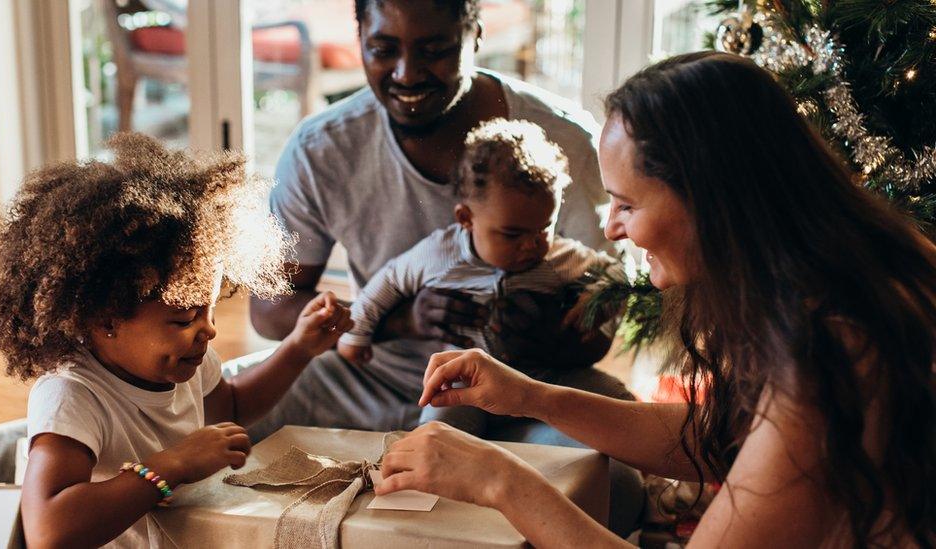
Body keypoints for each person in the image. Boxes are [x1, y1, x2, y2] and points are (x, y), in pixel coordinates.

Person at [375, 52, 936, 548]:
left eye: (626, 204)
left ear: (708, 201)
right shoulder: (854, 269)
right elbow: (718, 436)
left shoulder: (831, 349)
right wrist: (530, 396)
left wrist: (500, 479)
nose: (613, 230)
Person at [249, 0, 645, 534]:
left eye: (435, 50)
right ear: (359, 34)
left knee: (611, 486)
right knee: (217, 415)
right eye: (383, 49)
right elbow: (270, 309)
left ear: (475, 34)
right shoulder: (324, 148)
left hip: (534, 392)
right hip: (376, 378)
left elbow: (604, 321)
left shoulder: (559, 142)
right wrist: (401, 322)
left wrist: (540, 337)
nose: (407, 74)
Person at [0, 134, 353, 548]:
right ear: (105, 318)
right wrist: (171, 465)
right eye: (183, 318)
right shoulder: (74, 396)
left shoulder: (188, 358)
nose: (208, 331)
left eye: (210, 310)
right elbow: (49, 531)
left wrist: (298, 348)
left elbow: (228, 408)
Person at [337, 117, 632, 435]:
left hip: (543, 373)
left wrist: (598, 298)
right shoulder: (440, 254)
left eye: (543, 229)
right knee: (439, 431)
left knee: (617, 400)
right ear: (466, 218)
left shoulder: (558, 256)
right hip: (465, 379)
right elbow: (389, 281)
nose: (531, 245)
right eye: (512, 234)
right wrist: (356, 333)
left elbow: (617, 272)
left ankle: (658, 469)